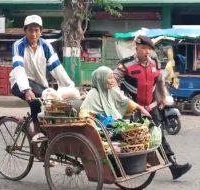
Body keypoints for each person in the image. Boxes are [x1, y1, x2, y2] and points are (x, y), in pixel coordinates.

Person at [113, 35, 192, 180]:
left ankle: (173, 165)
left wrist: (162, 98)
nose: (146, 52)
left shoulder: (154, 62)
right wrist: (122, 101)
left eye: (148, 49)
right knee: (129, 138)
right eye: (143, 48)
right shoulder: (126, 64)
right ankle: (120, 168)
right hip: (133, 109)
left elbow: (160, 81)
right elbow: (112, 83)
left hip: (151, 107)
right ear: (136, 48)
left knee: (158, 136)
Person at [10, 15, 75, 142]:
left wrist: (71, 86)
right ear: (25, 31)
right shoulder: (18, 45)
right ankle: (37, 131)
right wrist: (27, 89)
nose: (33, 34)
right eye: (30, 30)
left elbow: (56, 67)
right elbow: (19, 68)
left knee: (53, 104)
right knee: (35, 101)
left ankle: (50, 143)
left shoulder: (46, 46)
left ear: (41, 31)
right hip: (19, 83)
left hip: (39, 84)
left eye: (36, 30)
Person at [79, 66, 151, 120]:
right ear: (100, 79)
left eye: (113, 77)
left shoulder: (112, 91)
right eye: (109, 78)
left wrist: (141, 109)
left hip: (115, 125)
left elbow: (125, 101)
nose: (113, 81)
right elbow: (84, 113)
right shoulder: (93, 93)